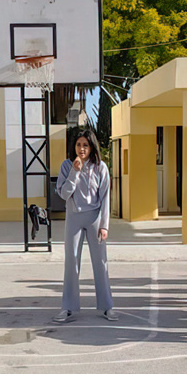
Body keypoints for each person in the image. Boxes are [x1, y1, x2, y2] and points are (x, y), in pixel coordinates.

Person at [55, 127, 115, 323]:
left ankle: (107, 307)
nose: (82, 149)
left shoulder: (101, 167)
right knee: (71, 261)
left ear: (91, 147)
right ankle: (68, 307)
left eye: (85, 145)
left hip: (95, 218)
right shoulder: (66, 165)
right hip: (73, 218)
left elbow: (105, 197)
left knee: (101, 262)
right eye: (79, 145)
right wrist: (75, 171)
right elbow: (63, 194)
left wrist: (104, 225)